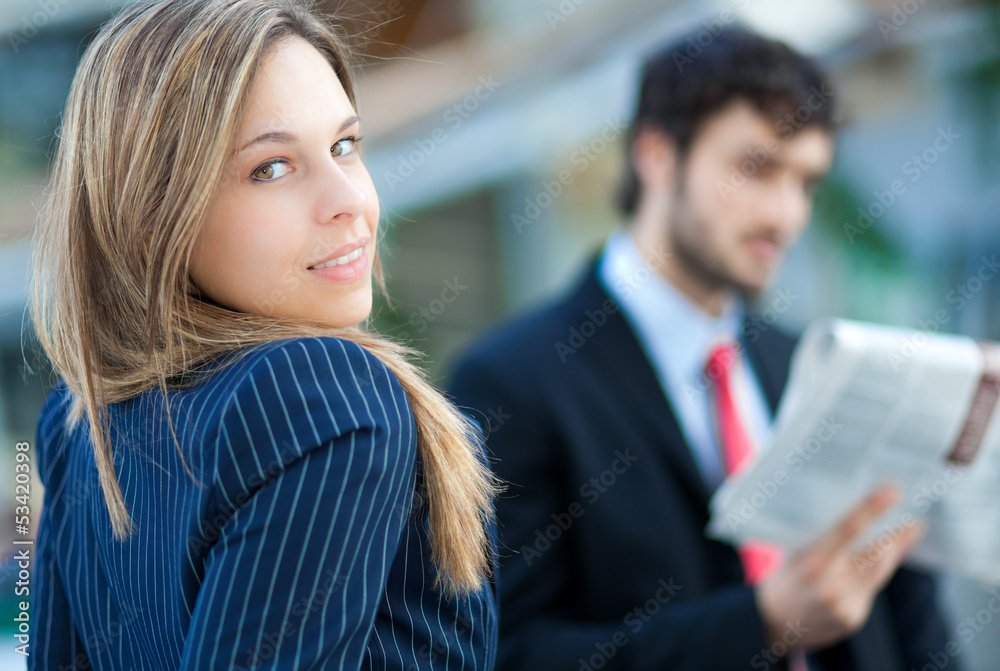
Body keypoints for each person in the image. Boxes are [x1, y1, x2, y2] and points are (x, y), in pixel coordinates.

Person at [448, 26, 953, 671]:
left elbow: (912, 612)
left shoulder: (815, 367)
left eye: (806, 182)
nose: (785, 215)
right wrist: (763, 621)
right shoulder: (509, 383)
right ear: (657, 155)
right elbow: (508, 652)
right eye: (756, 168)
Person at [27, 0, 500, 668]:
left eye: (345, 146)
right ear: (158, 219)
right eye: (271, 167)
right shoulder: (321, 394)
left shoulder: (81, 417)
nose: (350, 200)